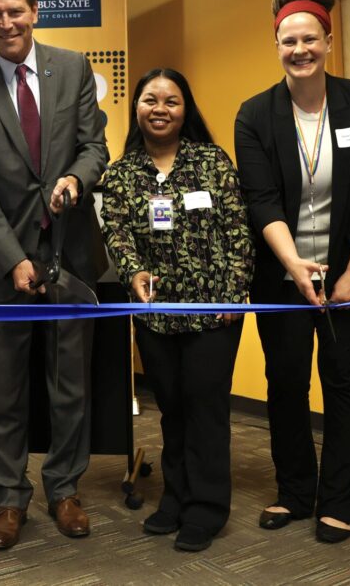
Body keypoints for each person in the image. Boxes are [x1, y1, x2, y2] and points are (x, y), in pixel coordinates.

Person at [0, 0, 108, 549]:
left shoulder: (73, 68)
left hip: (70, 250)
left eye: (15, 10)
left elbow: (95, 146)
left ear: (34, 11)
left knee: (70, 385)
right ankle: (9, 498)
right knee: (7, 387)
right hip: (2, 258)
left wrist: (75, 180)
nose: (6, 22)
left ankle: (64, 489)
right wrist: (13, 256)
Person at [234, 0, 350, 543]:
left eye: (310, 39)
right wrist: (295, 264)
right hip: (281, 278)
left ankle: (338, 498)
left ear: (328, 41)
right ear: (276, 46)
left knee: (345, 384)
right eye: (288, 41)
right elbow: (262, 200)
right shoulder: (255, 116)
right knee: (285, 385)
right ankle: (295, 492)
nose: (299, 50)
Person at [101, 68, 252, 552]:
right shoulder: (122, 174)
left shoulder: (211, 162)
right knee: (171, 410)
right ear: (137, 108)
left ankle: (206, 509)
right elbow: (117, 234)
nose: (160, 109)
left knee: (205, 409)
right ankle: (176, 496)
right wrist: (132, 272)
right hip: (154, 313)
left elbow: (238, 233)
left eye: (171, 100)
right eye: (150, 100)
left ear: (185, 108)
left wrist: (234, 291)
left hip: (214, 313)